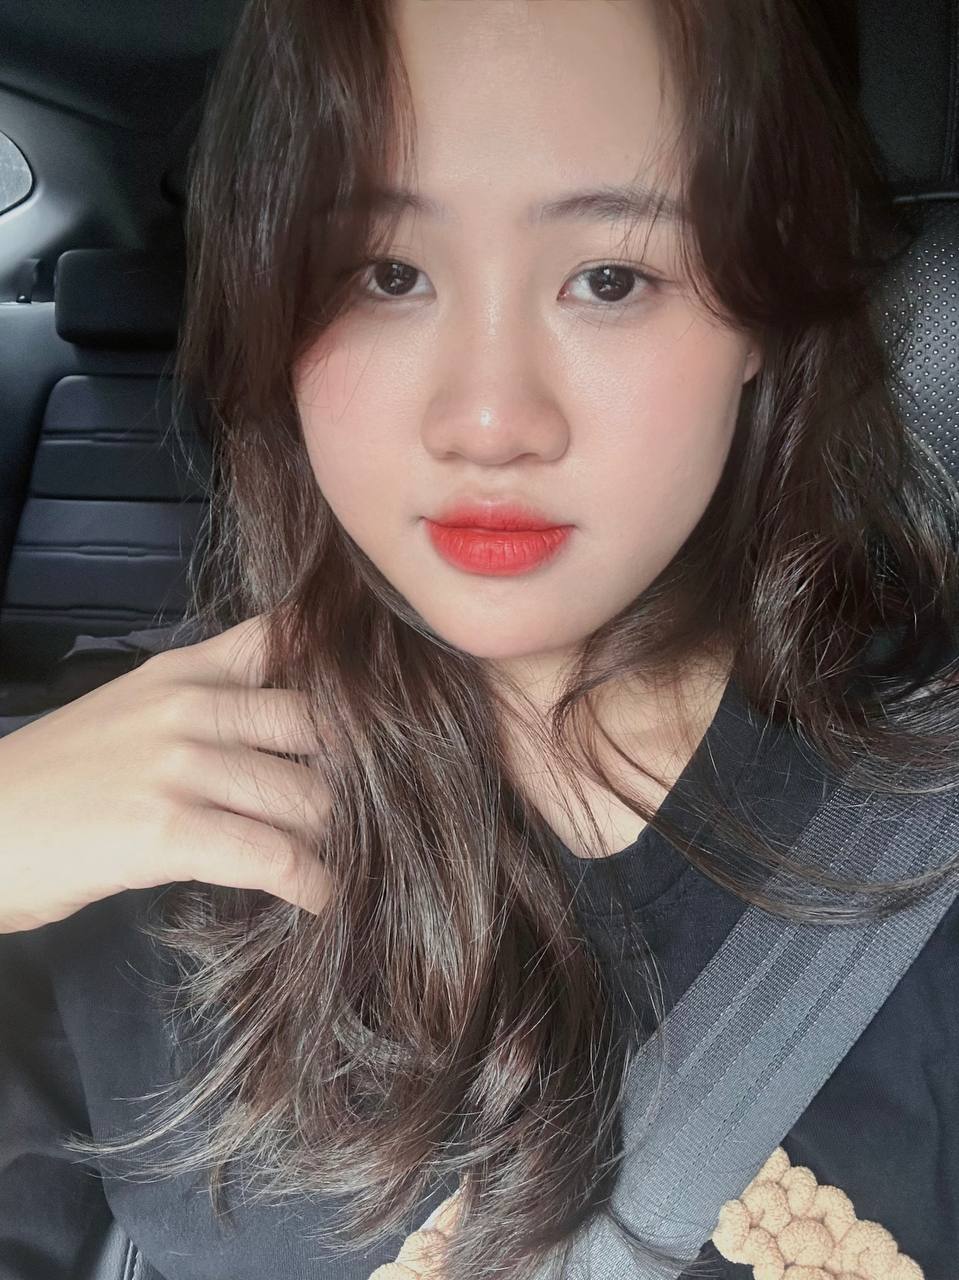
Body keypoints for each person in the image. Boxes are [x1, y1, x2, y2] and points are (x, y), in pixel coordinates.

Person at [1, 1, 958, 1277]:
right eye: (385, 273)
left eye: (609, 277)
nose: (488, 420)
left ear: (763, 315)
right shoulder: (114, 819)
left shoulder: (921, 831)